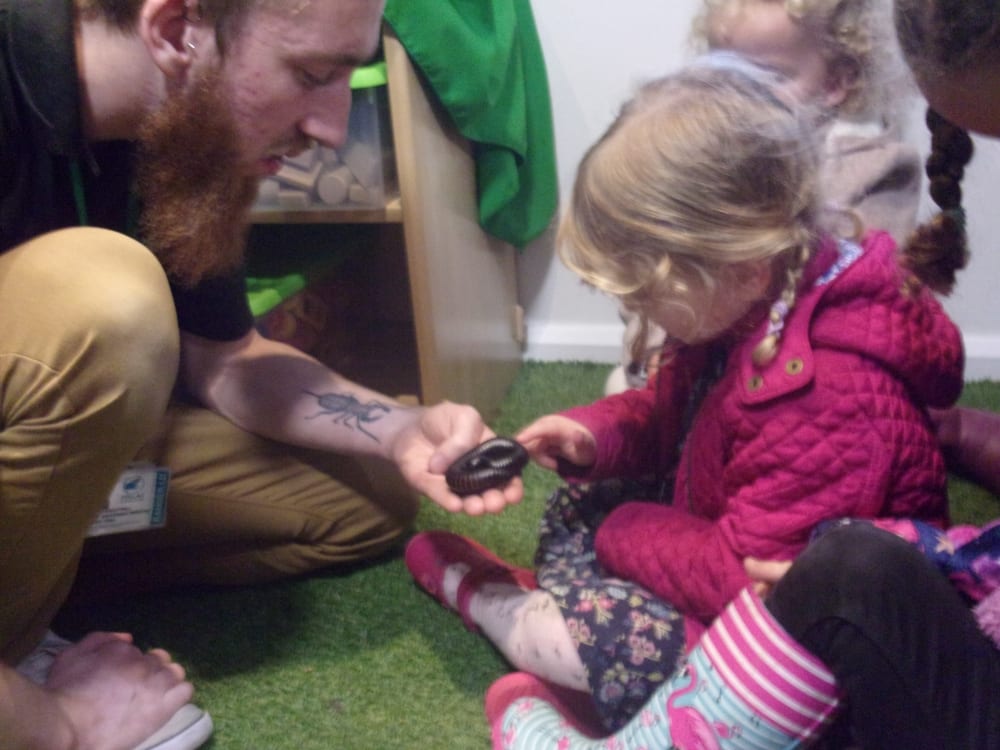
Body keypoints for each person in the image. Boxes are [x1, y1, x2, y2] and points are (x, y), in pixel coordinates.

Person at [0, 1, 522, 748]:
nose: (333, 129)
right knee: (106, 301)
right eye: (311, 74)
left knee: (365, 496)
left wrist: (400, 429)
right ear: (175, 30)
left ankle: (38, 585)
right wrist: (60, 724)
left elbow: (227, 357)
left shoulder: (176, 135)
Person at [405, 51, 966, 744]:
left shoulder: (825, 394)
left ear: (738, 264)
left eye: (647, 292)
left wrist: (623, 532)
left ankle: (490, 602)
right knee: (586, 498)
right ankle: (561, 605)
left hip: (791, 642)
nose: (639, 311)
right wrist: (591, 436)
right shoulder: (744, 301)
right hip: (717, 517)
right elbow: (669, 415)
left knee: (603, 623)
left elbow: (744, 580)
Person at [605, 0, 922, 396]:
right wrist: (657, 347)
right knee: (624, 389)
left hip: (805, 374)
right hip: (701, 359)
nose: (738, 95)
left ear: (834, 82)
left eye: (768, 76)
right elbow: (659, 268)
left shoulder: (875, 169)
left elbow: (874, 302)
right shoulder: (699, 158)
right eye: (723, 72)